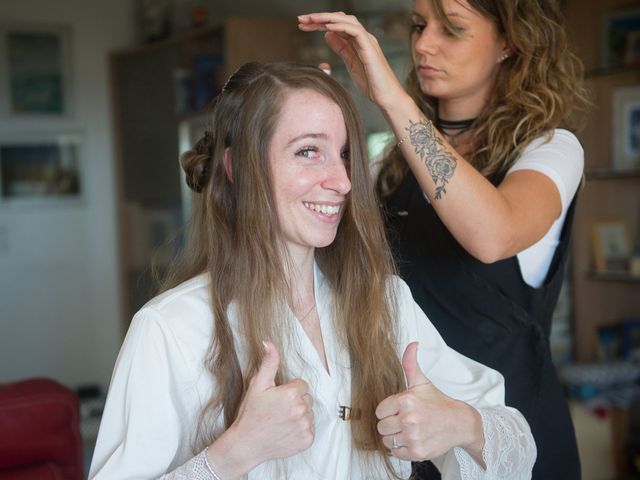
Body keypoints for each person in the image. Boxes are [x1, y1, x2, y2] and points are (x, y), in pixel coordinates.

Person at [88, 62, 536, 480]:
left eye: (343, 155)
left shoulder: (387, 301)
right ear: (237, 167)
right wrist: (233, 454)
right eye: (308, 152)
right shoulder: (169, 329)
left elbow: (520, 449)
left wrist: (462, 425)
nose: (342, 181)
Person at [298, 1, 589, 478]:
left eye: (452, 29)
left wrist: (392, 100)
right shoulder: (389, 166)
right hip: (406, 428)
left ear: (508, 43)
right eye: (418, 26)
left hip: (506, 434)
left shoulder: (551, 148)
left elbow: (493, 236)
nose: (423, 44)